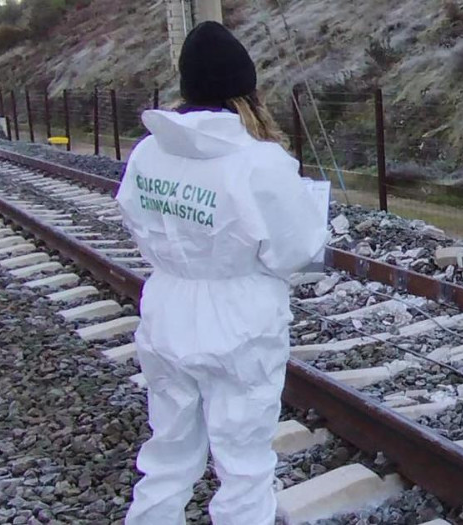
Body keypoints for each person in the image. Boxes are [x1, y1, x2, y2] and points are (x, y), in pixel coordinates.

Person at [116, 22, 327, 525]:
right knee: (244, 464)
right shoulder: (260, 163)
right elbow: (295, 251)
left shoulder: (148, 152)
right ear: (246, 92)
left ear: (185, 86)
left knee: (168, 452)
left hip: (167, 308)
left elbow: (133, 218)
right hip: (239, 322)